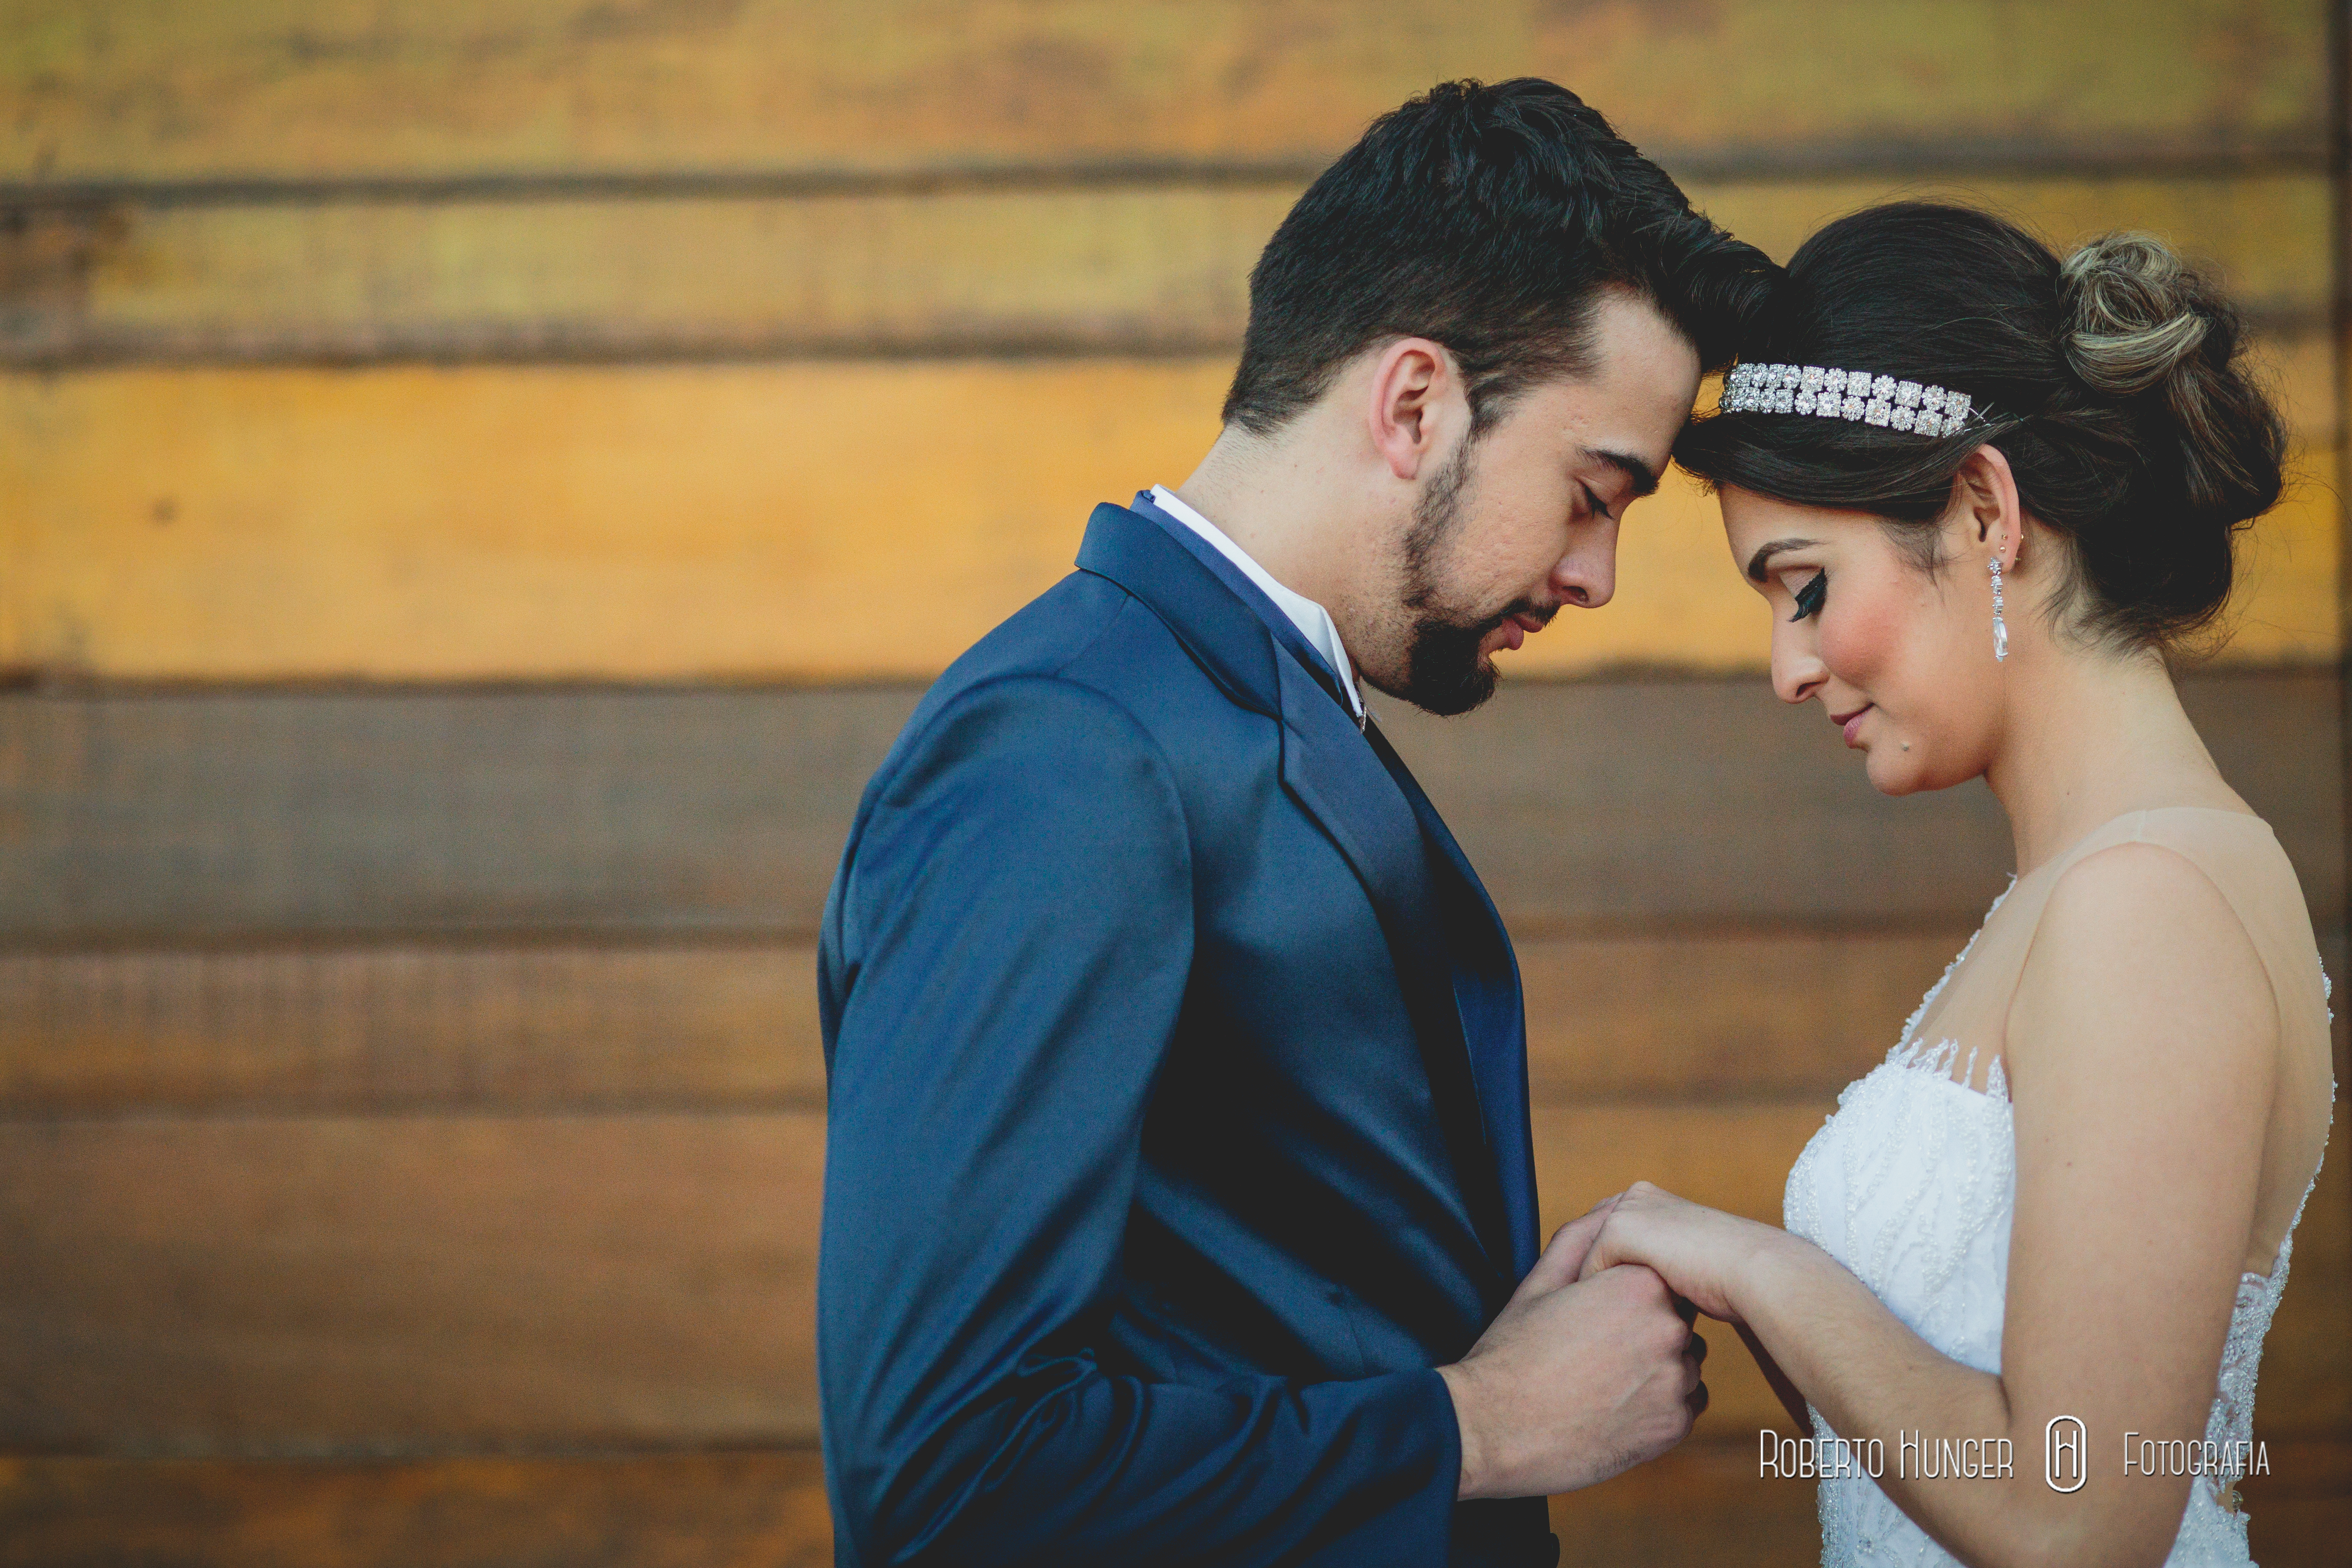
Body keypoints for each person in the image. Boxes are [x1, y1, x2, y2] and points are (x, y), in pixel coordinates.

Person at [815, 79, 1774, 1566]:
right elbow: (947, 1476)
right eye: (1595, 492)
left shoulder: (1240, 709)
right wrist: (1484, 1425)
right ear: (1412, 404)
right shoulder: (1067, 752)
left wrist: (1481, 1349)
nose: (1596, 577)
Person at [1574, 203, 2334, 1567]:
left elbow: (2078, 1516)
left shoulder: (2148, 901)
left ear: (1986, 509)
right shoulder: (2089, 888)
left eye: (1804, 586)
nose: (1787, 670)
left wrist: (1760, 1266)